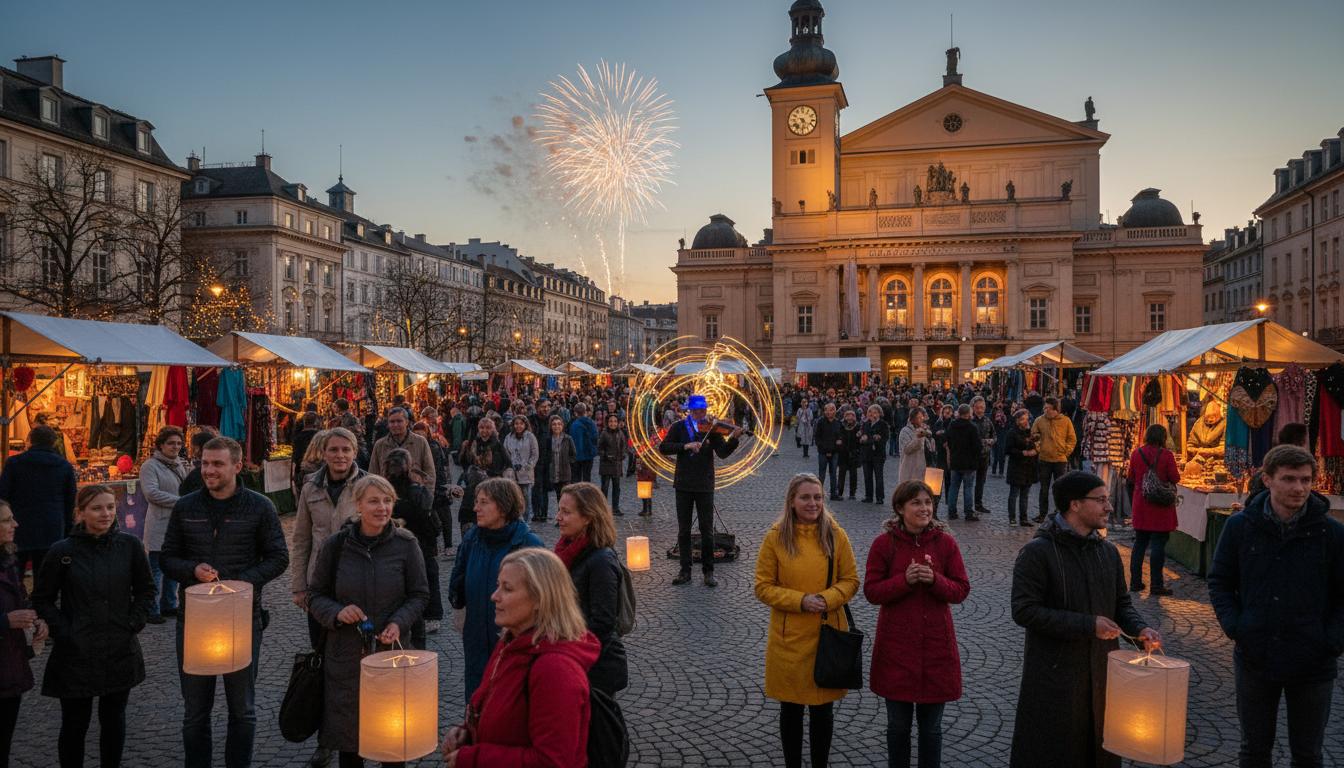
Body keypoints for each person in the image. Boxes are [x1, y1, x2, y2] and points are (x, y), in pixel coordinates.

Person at [1009, 470, 1161, 768]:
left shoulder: (1107, 552)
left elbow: (1121, 604)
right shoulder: (1037, 553)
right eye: (1101, 500)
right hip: (1055, 678)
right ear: (1074, 504)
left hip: (1103, 676)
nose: (1110, 506)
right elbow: (1024, 610)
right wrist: (1088, 625)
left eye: (1108, 499)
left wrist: (1140, 628)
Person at [1209, 445, 1344, 768]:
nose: (1299, 488)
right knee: (1254, 751)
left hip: (1313, 661)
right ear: (1267, 479)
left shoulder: (1331, 533)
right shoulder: (1240, 527)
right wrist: (1236, 626)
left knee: (1308, 754)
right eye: (1289, 479)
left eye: (1305, 480)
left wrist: (1332, 641)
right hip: (1256, 655)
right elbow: (1220, 581)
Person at [160, 436, 290, 768]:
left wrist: (242, 581)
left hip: (243, 618)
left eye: (217, 463)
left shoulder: (260, 506)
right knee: (195, 712)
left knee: (242, 710)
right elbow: (168, 558)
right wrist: (192, 569)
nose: (209, 470)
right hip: (194, 621)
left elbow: (278, 558)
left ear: (237, 465)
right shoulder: (185, 506)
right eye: (204, 463)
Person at [307, 475, 430, 768]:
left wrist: (399, 622)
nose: (382, 508)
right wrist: (337, 612)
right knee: (350, 744)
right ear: (358, 504)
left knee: (393, 743)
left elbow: (420, 594)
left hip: (391, 657)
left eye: (387, 501)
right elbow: (315, 595)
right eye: (374, 501)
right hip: (346, 658)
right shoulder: (336, 546)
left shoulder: (406, 543)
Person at [440, 548, 600, 768]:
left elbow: (552, 761)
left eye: (507, 588)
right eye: (498, 585)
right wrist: (467, 732)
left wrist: (473, 758)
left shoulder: (555, 669)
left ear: (539, 598)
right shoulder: (510, 642)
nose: (494, 596)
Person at [33, 484, 153, 768]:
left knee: (114, 722)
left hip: (118, 647)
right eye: (97, 508)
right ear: (81, 513)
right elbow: (42, 598)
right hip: (76, 652)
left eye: (110, 507)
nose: (106, 514)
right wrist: (64, 629)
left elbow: (146, 590)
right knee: (75, 724)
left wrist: (133, 622)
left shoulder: (130, 546)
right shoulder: (63, 551)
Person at [753, 473, 858, 768]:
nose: (813, 503)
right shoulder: (776, 537)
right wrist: (800, 601)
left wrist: (828, 598)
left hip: (827, 633)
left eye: (817, 497)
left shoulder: (836, 535)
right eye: (806, 497)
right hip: (789, 639)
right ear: (792, 501)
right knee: (792, 710)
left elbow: (851, 580)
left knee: (823, 712)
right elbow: (762, 586)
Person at [865, 480, 970, 768]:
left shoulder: (945, 543)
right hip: (896, 650)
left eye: (927, 502)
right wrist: (904, 581)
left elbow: (961, 589)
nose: (924, 508)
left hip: (936, 649)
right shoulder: (883, 544)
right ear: (900, 508)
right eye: (916, 503)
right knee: (898, 728)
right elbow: (872, 591)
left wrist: (935, 580)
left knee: (931, 730)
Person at [447, 478, 543, 699]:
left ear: (502, 506)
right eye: (476, 502)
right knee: (477, 695)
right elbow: (458, 582)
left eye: (483, 502)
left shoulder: (528, 544)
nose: (475, 508)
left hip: (514, 641)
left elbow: (544, 599)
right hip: (476, 637)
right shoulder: (472, 539)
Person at [659, 394, 742, 588]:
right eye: (697, 411)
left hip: (705, 485)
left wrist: (734, 439)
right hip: (683, 484)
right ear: (690, 411)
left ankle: (708, 571)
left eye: (703, 410)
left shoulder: (712, 429)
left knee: (707, 531)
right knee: (684, 530)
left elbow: (722, 453)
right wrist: (686, 445)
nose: (701, 414)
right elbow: (664, 447)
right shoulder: (679, 427)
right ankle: (685, 570)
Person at [555, 482, 629, 696]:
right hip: (572, 660)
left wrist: (567, 646)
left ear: (588, 517)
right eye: (559, 509)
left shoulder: (601, 561)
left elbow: (603, 623)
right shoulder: (567, 551)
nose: (558, 517)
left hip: (593, 668)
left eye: (566, 512)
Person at [0, 425, 76, 586]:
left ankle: (16, 605)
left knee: (14, 576)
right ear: (54, 443)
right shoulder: (64, 466)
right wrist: (68, 530)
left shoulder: (14, 463)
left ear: (30, 441)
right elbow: (70, 502)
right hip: (52, 527)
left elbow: (3, 495)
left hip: (20, 526)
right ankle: (40, 608)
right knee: (45, 579)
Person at [0, 501, 45, 768]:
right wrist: (5, 621)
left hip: (9, 668)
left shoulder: (8, 560)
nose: (15, 525)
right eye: (6, 520)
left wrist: (35, 620)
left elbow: (20, 601)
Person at [381, 448, 442, 640]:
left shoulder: (385, 491)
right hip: (420, 544)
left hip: (401, 545)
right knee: (424, 581)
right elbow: (428, 519)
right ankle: (430, 616)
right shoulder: (414, 491)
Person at [140, 425, 189, 624]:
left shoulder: (180, 464)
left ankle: (170, 604)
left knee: (173, 569)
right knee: (156, 569)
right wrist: (180, 502)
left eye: (178, 443)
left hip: (178, 525)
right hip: (160, 524)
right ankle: (152, 609)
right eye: (171, 443)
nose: (175, 446)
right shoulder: (150, 466)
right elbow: (151, 493)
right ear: (161, 445)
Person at [1128, 423, 1180, 595]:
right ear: (1163, 438)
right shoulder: (1167, 455)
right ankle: (1156, 585)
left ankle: (1135, 582)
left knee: (1140, 544)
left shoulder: (1136, 453)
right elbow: (1175, 477)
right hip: (1160, 507)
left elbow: (1131, 477)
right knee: (1158, 545)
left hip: (1141, 504)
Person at [1030, 397, 1077, 523]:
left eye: (1049, 408)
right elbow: (1033, 434)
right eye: (1045, 408)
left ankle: (1060, 513)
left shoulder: (1065, 421)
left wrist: (1066, 452)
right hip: (1044, 459)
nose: (1046, 410)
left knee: (1060, 488)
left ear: (1055, 409)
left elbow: (1072, 439)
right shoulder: (1039, 420)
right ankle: (1042, 513)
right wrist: (1039, 447)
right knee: (1043, 489)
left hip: (1060, 460)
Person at [412, 420, 455, 554]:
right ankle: (434, 546)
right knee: (429, 517)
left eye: (421, 433)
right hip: (422, 486)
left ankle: (448, 545)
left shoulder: (433, 446)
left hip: (437, 484)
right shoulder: (415, 447)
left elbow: (437, 467)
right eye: (416, 434)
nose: (420, 436)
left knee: (444, 516)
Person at [369, 407, 435, 485]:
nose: (395, 425)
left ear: (406, 422)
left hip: (414, 493)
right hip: (388, 493)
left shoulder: (420, 442)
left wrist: (427, 495)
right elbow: (373, 474)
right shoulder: (380, 445)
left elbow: (429, 473)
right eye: (392, 422)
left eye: (399, 421)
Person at [943, 404, 981, 522]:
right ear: (968, 413)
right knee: (968, 488)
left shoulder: (952, 425)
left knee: (954, 487)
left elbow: (947, 440)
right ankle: (968, 512)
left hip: (955, 460)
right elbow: (977, 446)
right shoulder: (972, 427)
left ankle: (951, 511)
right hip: (969, 463)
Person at [536, 415, 576, 522]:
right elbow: (545, 454)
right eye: (554, 424)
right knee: (558, 495)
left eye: (559, 424)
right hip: (553, 471)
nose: (556, 426)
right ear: (551, 426)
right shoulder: (548, 439)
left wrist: (568, 462)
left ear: (562, 426)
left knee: (565, 497)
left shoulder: (568, 439)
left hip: (565, 471)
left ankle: (564, 518)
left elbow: (573, 454)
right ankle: (559, 517)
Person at [1003, 409, 1038, 527]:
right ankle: (1012, 518)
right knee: (1014, 494)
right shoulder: (1012, 433)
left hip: (1028, 467)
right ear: (1017, 420)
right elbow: (1008, 450)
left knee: (1025, 495)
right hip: (1016, 467)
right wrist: (1022, 453)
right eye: (1022, 419)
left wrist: (1035, 450)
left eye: (1026, 419)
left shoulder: (1030, 432)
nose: (1025, 421)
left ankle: (1024, 518)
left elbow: (1036, 444)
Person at [502, 415, 539, 519]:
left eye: (521, 424)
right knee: (514, 498)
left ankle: (526, 521)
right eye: (516, 424)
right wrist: (510, 464)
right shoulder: (508, 437)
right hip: (512, 473)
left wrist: (529, 465)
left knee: (526, 499)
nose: (519, 426)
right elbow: (506, 452)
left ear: (525, 425)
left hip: (526, 473)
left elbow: (534, 453)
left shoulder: (530, 437)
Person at [597, 414, 628, 516]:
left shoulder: (620, 433)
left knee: (616, 487)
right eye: (611, 421)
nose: (613, 423)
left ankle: (615, 508)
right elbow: (599, 447)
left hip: (617, 464)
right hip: (606, 464)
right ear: (608, 422)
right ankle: (604, 509)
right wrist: (605, 455)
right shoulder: (604, 433)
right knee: (605, 487)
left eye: (615, 421)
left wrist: (623, 454)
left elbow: (624, 445)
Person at [860, 404, 891, 505]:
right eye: (870, 412)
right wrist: (864, 439)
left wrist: (875, 439)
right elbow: (862, 437)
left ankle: (879, 497)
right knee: (867, 476)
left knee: (878, 476)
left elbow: (885, 438)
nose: (872, 414)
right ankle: (868, 496)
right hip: (866, 454)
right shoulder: (865, 424)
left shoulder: (883, 424)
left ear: (879, 414)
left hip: (878, 454)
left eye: (874, 412)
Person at [970, 397, 995, 516]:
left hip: (985, 456)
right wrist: (985, 441)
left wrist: (992, 441)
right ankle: (968, 506)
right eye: (978, 407)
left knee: (981, 482)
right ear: (973, 408)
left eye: (982, 408)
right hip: (972, 456)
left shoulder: (987, 421)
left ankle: (978, 504)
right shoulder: (970, 421)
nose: (980, 410)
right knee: (969, 481)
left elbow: (994, 435)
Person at [896, 407, 933, 485]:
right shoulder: (905, 431)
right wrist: (918, 438)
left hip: (925, 467)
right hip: (910, 469)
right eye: (918, 417)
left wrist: (929, 437)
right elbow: (907, 449)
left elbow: (931, 448)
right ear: (912, 419)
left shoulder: (925, 430)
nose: (921, 419)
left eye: (922, 417)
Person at [176, 427, 218, 497]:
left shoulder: (199, 471)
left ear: (200, 448)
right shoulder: (220, 466)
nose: (193, 451)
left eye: (195, 448)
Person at [813, 403, 842, 498]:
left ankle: (833, 493)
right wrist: (823, 448)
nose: (828, 412)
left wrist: (839, 442)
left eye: (831, 410)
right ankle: (818, 493)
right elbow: (817, 437)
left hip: (834, 452)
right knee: (822, 474)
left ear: (835, 411)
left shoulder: (838, 423)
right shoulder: (820, 422)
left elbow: (840, 437)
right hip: (823, 452)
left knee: (833, 473)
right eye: (826, 410)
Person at [568, 403, 599, 483]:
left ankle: (577, 494)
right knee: (587, 477)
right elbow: (595, 437)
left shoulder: (574, 425)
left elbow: (573, 441)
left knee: (576, 478)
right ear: (585, 412)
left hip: (577, 455)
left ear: (575, 413)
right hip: (589, 454)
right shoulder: (592, 423)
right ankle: (586, 493)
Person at [291, 412, 322, 491]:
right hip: (317, 471)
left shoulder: (297, 437)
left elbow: (295, 457)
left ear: (304, 422)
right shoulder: (320, 436)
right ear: (316, 422)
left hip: (302, 472)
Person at [836, 408, 862, 501]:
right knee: (841, 473)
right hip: (843, 453)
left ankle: (852, 493)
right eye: (848, 416)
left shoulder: (858, 426)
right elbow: (838, 436)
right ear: (845, 417)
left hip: (854, 453)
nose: (850, 417)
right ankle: (839, 491)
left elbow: (860, 441)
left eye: (852, 415)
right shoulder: (841, 426)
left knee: (853, 474)